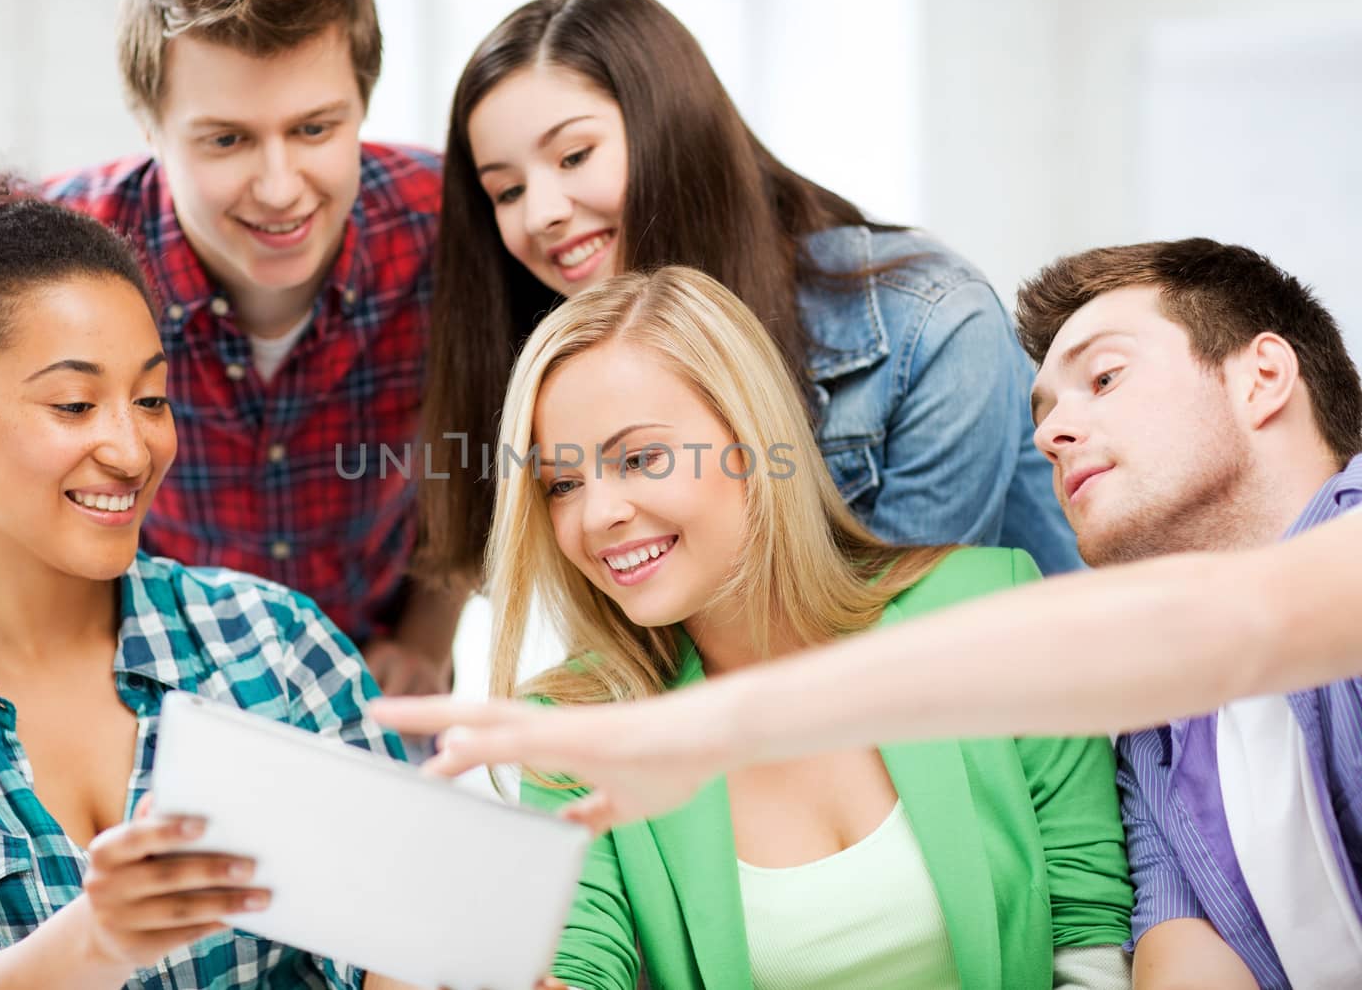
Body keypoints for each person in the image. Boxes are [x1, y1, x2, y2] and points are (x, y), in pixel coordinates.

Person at [0, 143, 401, 989]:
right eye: (73, 404)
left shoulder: (276, 646)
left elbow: (397, 946)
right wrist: (99, 938)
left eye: (150, 398)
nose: (132, 448)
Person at [460, 265, 1133, 988]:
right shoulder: (577, 729)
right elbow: (581, 965)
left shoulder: (991, 612)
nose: (597, 516)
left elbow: (1092, 943)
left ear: (752, 441)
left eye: (640, 457)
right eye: (563, 483)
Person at [0, 0, 463, 696]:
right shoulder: (48, 264)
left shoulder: (451, 228)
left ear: (362, 107)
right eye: (226, 140)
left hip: (381, 685)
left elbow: (501, 442)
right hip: (146, 695)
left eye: (315, 128)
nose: (280, 186)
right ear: (151, 129)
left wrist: (429, 630)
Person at [416, 0, 1081, 589]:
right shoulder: (575, 366)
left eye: (574, 156)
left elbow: (900, 659)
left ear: (671, 135)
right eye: (506, 190)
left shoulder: (927, 323)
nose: (542, 214)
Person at [1017, 239, 1362, 989]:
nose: (1049, 435)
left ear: (1263, 378)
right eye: (1041, 418)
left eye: (1104, 376)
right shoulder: (1156, 723)